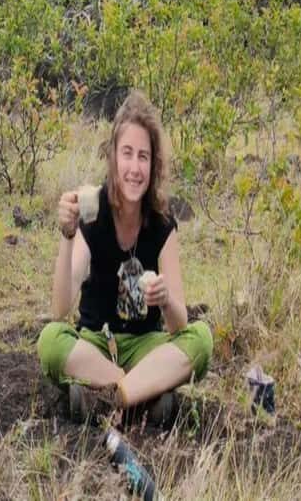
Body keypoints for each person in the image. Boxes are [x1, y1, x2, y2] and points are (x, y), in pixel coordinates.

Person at [37, 91, 212, 426]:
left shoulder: (162, 225)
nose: (134, 168)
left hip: (146, 345)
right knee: (51, 342)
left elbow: (179, 325)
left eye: (143, 157)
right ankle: (143, 395)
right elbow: (60, 309)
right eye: (127, 154)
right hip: (96, 344)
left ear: (153, 164)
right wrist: (67, 236)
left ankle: (108, 397)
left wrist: (164, 300)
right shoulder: (92, 211)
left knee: (201, 339)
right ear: (113, 158)